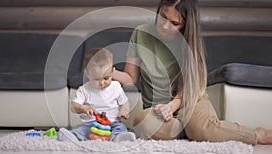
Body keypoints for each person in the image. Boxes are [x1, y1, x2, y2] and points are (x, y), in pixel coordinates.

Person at [113, 0, 272, 145]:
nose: (165, 26)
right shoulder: (140, 33)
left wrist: (172, 107)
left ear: (185, 25)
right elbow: (131, 78)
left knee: (201, 128)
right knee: (142, 122)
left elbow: (190, 87)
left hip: (190, 102)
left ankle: (257, 134)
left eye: (174, 23)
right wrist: (110, 72)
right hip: (159, 111)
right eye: (162, 17)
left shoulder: (189, 42)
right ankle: (193, 129)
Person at [58, 48, 136, 142]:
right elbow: (73, 106)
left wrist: (125, 110)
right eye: (96, 79)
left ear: (112, 71)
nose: (102, 83)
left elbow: (125, 102)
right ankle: (73, 136)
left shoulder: (116, 86)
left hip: (113, 123)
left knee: (121, 127)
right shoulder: (84, 90)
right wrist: (83, 108)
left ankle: (118, 137)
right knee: (82, 129)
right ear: (88, 73)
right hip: (91, 123)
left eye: (106, 78)